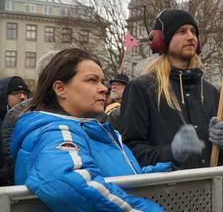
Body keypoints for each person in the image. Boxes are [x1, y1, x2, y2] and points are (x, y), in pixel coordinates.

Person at [10, 48, 170, 211]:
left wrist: (163, 169)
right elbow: (68, 182)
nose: (104, 88)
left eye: (102, 81)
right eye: (92, 80)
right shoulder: (56, 132)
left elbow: (110, 172)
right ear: (60, 88)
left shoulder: (87, 129)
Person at [121, 9, 223, 169]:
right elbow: (130, 152)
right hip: (166, 192)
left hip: (211, 190)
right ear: (161, 39)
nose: (191, 37)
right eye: (182, 31)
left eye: (193, 32)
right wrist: (171, 152)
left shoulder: (211, 92)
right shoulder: (141, 89)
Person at [1, 51, 57, 186]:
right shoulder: (16, 116)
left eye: (24, 93)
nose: (21, 97)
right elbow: (11, 156)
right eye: (16, 93)